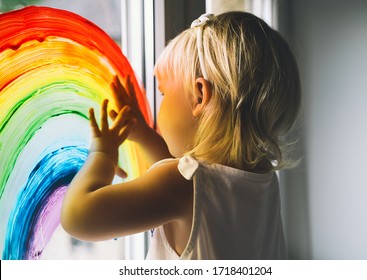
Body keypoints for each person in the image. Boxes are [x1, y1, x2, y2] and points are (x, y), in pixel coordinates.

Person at [61, 11, 301, 260]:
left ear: (199, 95)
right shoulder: (261, 176)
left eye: (163, 94)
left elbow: (78, 217)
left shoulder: (184, 187)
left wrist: (103, 153)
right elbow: (186, 181)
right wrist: (142, 133)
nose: (159, 105)